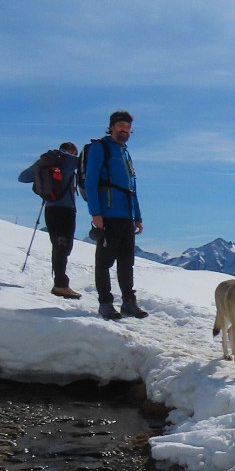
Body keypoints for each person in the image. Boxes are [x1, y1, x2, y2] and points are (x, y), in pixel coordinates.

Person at [84, 110, 148, 319]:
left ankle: (128, 302)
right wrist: (96, 213)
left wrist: (137, 217)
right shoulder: (99, 148)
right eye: (121, 125)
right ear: (111, 127)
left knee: (126, 262)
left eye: (128, 127)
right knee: (104, 261)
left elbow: (132, 187)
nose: (124, 130)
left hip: (126, 216)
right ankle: (105, 303)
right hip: (108, 214)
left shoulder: (125, 153)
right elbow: (91, 182)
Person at [18, 142, 82, 298]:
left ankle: (60, 283)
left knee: (58, 245)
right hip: (65, 211)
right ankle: (60, 285)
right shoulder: (68, 160)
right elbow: (86, 163)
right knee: (64, 247)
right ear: (72, 151)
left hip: (50, 210)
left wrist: (43, 178)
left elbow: (23, 177)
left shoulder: (46, 161)